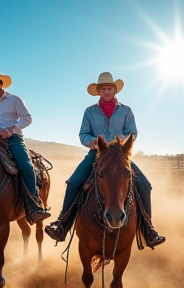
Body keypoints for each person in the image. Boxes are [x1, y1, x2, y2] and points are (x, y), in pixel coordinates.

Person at [45, 72, 165, 248]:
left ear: (115, 90)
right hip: (97, 154)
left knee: (145, 185)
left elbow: (133, 132)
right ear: (98, 92)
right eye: (103, 89)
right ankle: (62, 224)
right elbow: (83, 134)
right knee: (74, 182)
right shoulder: (89, 112)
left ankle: (148, 229)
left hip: (120, 155)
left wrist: (122, 140)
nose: (106, 92)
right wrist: (91, 141)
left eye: (109, 88)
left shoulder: (126, 111)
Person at [0, 68, 51, 224]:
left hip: (13, 139)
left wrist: (12, 130)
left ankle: (34, 204)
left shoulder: (14, 100)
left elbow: (27, 118)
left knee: (26, 166)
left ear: (0, 84)